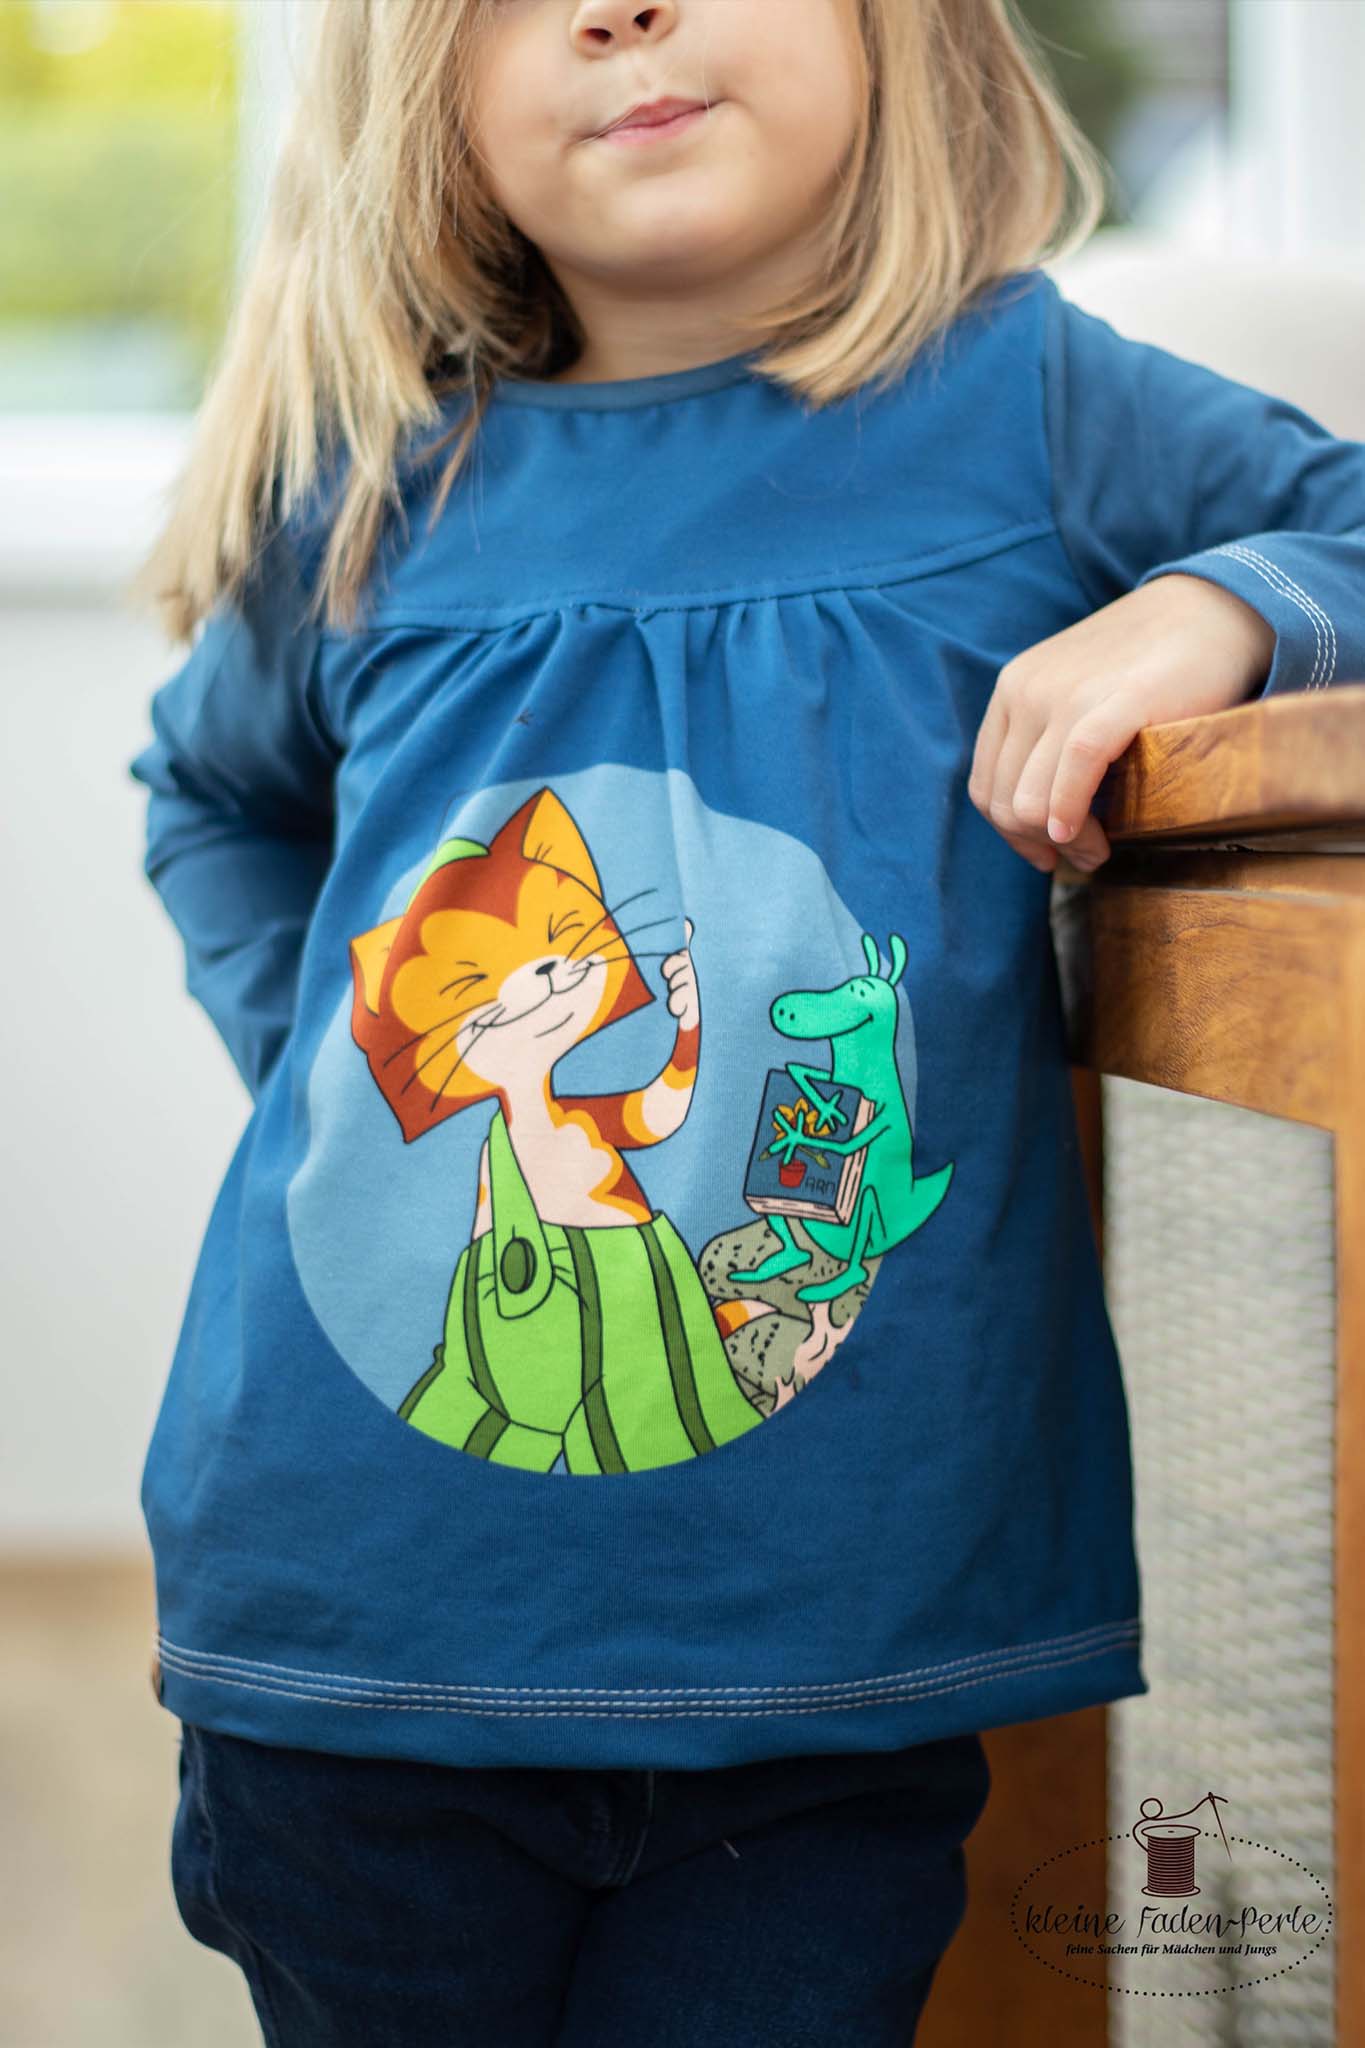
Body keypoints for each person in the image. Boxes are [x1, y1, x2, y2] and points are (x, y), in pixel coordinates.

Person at [123, 2, 1365, 2043]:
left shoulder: (1036, 404)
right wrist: (328, 1079)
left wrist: (1211, 603)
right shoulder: (371, 483)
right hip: (351, 1629)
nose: (620, 10)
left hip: (839, 1657)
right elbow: (210, 791)